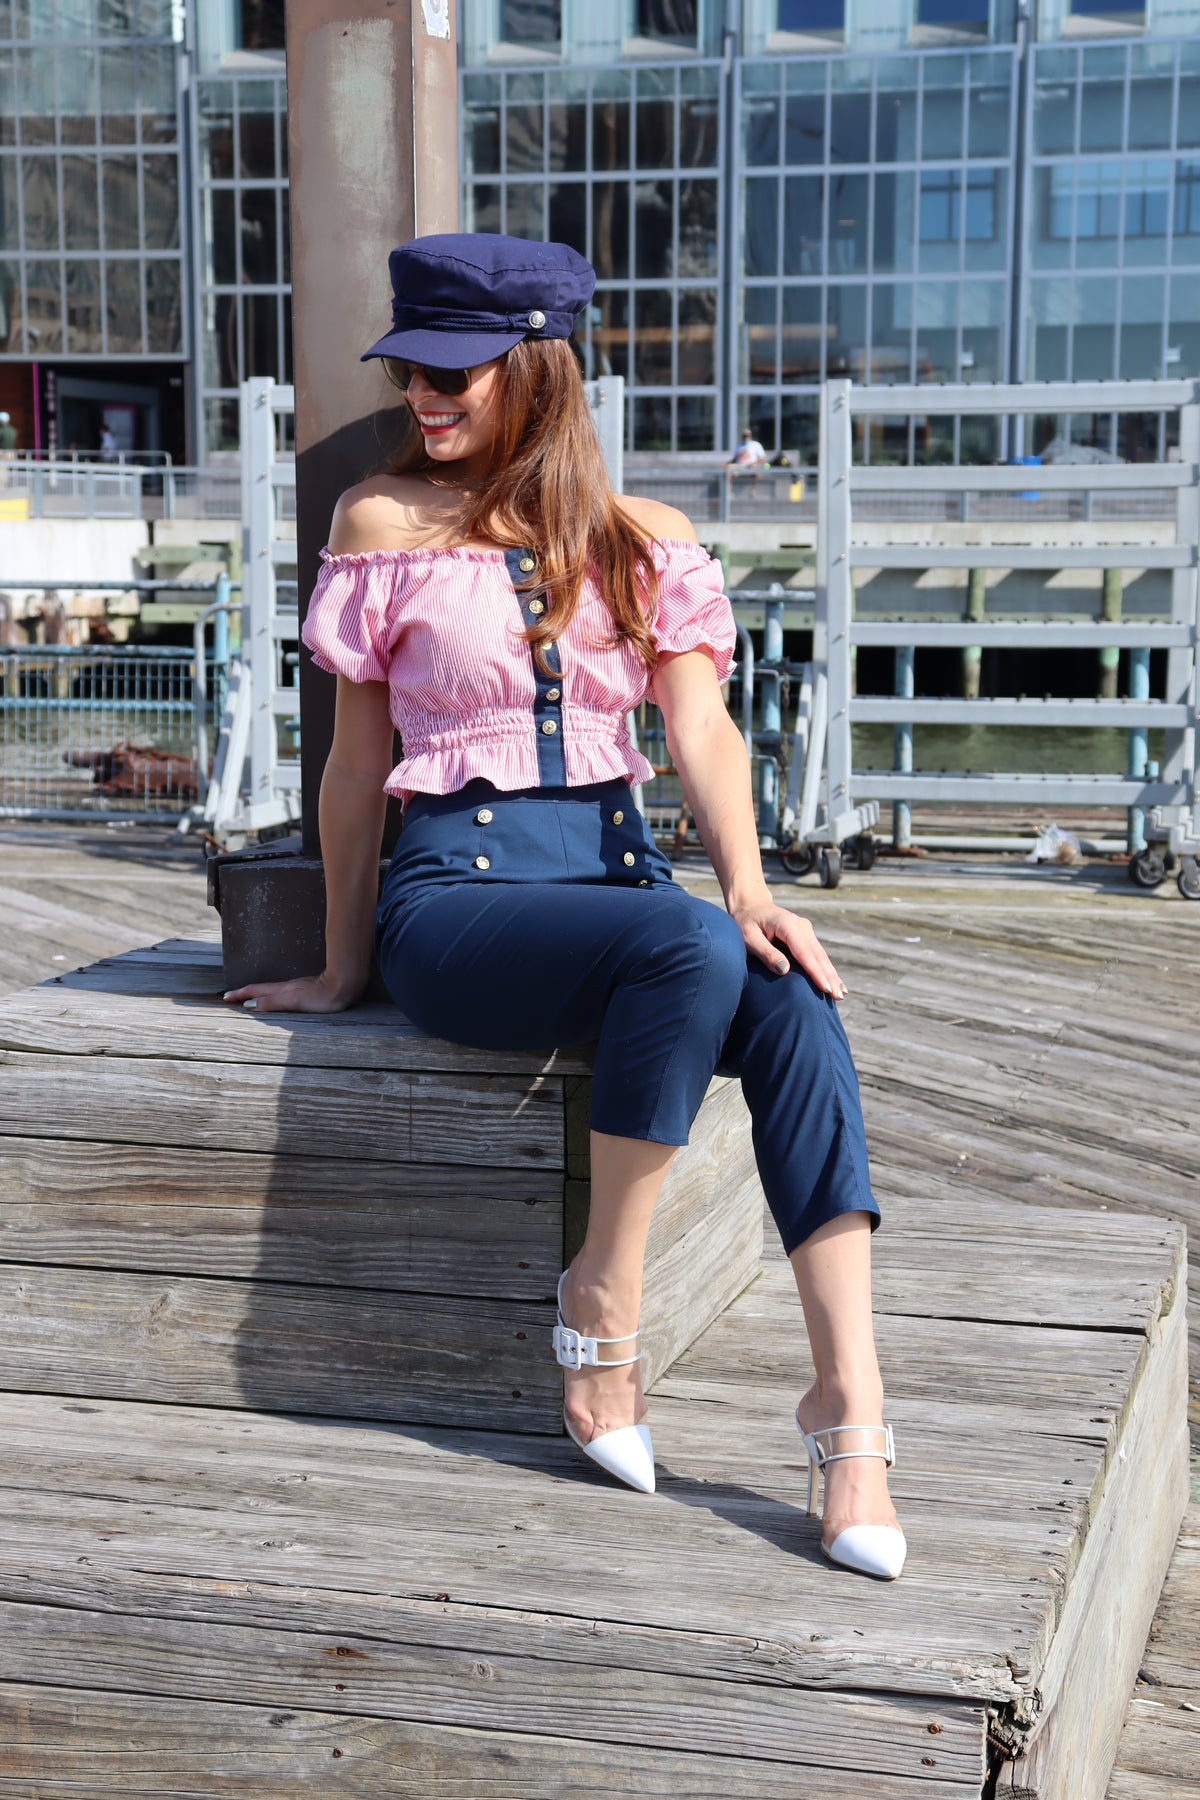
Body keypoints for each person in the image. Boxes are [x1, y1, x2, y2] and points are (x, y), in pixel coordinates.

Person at [223, 233, 905, 1581]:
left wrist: (754, 890)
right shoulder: (381, 526)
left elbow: (702, 734)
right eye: (411, 369)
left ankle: (851, 1406)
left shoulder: (646, 542)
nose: (424, 395)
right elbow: (356, 770)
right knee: (686, 943)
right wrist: (345, 965)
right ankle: (603, 1296)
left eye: (455, 373)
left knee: (791, 996)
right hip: (457, 907)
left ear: (538, 371)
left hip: (622, 894)